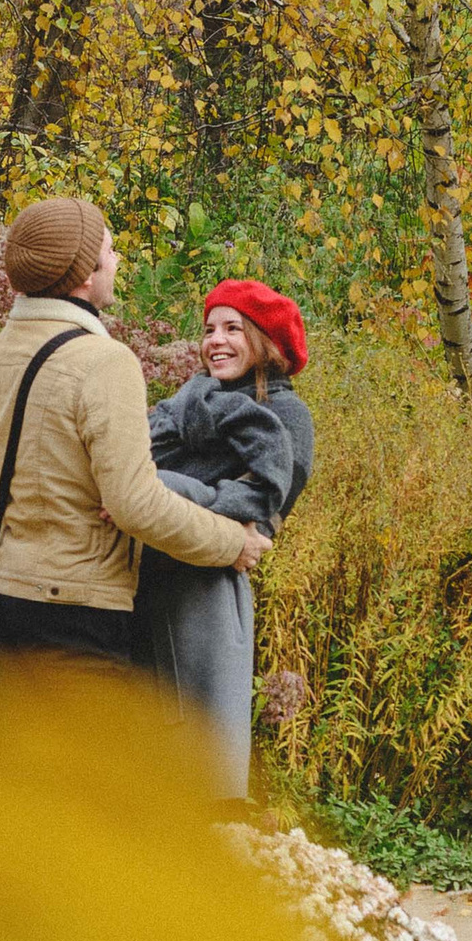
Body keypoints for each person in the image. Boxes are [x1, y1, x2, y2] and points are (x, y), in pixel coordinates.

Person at [0, 196, 266, 666]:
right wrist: (232, 544)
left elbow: (0, 492)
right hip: (77, 619)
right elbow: (134, 504)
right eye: (109, 249)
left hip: (2, 607)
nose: (117, 260)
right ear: (86, 275)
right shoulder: (104, 362)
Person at [134, 278, 318, 798]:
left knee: (203, 757)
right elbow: (125, 469)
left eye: (233, 328)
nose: (215, 340)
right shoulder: (184, 406)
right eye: (209, 328)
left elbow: (262, 510)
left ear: (266, 342)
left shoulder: (286, 418)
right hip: (140, 582)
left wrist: (157, 490)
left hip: (207, 592)